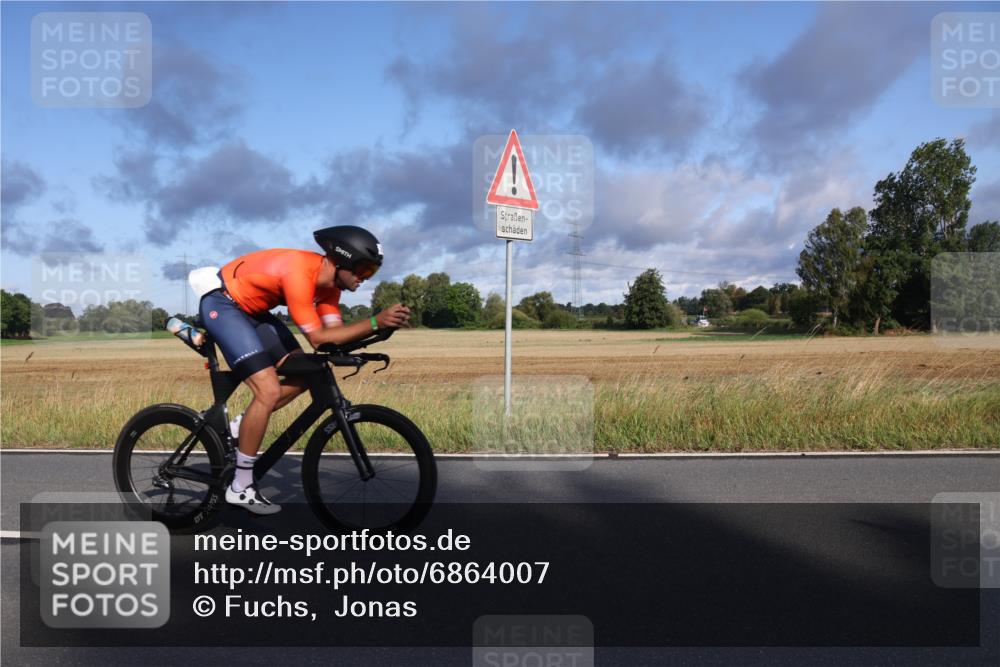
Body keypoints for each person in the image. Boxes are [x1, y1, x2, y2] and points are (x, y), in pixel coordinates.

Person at [197, 226, 410, 515]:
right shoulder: (298, 272)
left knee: (310, 370)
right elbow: (319, 339)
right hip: (224, 305)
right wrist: (375, 322)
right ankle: (240, 486)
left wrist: (376, 334)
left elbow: (335, 334)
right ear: (341, 260)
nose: (364, 278)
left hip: (256, 313)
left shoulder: (331, 288)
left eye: (371, 272)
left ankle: (241, 427)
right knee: (268, 390)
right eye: (363, 269)